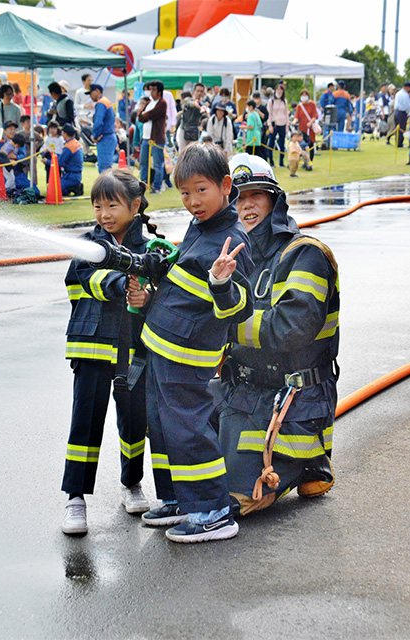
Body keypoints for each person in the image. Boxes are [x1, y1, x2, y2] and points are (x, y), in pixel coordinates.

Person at [211, 152, 339, 517]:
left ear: (274, 199)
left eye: (256, 195)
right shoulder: (231, 255)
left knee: (228, 501)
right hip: (241, 392)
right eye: (236, 197)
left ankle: (307, 464)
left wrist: (220, 318)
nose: (246, 205)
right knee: (176, 422)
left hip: (292, 399)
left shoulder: (306, 255)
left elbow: (290, 329)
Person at [138, 142, 254, 543]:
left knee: (187, 427)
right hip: (162, 346)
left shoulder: (233, 239)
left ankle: (212, 510)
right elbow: (187, 268)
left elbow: (239, 310)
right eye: (184, 193)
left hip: (187, 356)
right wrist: (164, 259)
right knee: (162, 425)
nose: (192, 202)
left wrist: (222, 282)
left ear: (225, 186)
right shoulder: (201, 225)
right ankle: (179, 498)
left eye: (201, 190)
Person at [61, 168, 162, 535]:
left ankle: (132, 483)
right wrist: (122, 283)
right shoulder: (88, 245)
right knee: (85, 423)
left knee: (134, 422)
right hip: (92, 347)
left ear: (135, 205)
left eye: (112, 205)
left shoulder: (151, 248)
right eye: (97, 205)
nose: (104, 214)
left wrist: (147, 296)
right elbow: (85, 277)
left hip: (134, 350)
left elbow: (165, 287)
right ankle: (75, 497)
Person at [137, 80, 167, 193]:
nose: (151, 92)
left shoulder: (162, 103)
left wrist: (143, 114)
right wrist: (143, 114)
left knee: (157, 164)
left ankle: (157, 186)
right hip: (145, 138)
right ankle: (143, 185)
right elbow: (140, 117)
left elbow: (150, 115)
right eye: (151, 89)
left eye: (154, 89)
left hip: (156, 139)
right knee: (144, 163)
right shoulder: (149, 102)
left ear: (159, 91)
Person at [86, 83, 117, 173]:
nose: (90, 97)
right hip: (109, 136)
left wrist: (95, 136)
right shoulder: (106, 101)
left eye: (91, 93)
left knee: (104, 169)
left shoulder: (101, 103)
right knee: (107, 167)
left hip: (105, 137)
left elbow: (98, 122)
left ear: (97, 91)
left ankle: (105, 187)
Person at [49, 123, 84, 196]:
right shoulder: (75, 143)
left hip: (71, 176)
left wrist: (47, 161)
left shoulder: (69, 146)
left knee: (53, 190)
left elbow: (59, 163)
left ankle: (73, 187)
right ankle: (73, 187)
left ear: (65, 134)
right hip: (76, 174)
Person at [176, 83, 208, 153]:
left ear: (203, 93)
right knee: (183, 153)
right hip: (184, 130)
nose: (199, 93)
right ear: (194, 91)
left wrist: (204, 112)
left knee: (193, 154)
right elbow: (188, 103)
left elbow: (205, 117)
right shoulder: (188, 99)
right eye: (198, 91)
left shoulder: (202, 105)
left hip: (194, 133)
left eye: (201, 91)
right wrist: (194, 104)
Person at [293, 89, 319, 162]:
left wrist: (311, 122)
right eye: (302, 95)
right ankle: (303, 160)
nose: (304, 97)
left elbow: (315, 115)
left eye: (305, 95)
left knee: (310, 144)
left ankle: (310, 161)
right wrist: (294, 122)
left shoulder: (312, 104)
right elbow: (296, 116)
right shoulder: (299, 106)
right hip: (302, 128)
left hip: (310, 128)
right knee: (302, 144)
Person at [267, 82, 289, 168]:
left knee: (282, 143)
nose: (279, 92)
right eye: (278, 90)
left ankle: (281, 162)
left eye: (281, 90)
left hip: (282, 124)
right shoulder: (271, 101)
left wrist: (287, 124)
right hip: (274, 124)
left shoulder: (284, 101)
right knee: (271, 143)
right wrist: (269, 125)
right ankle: (271, 162)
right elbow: (269, 113)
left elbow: (286, 113)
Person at [18, 114, 44, 185]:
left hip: (32, 156)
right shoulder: (20, 134)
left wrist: (36, 146)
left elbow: (41, 140)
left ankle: (34, 188)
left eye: (30, 122)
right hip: (23, 157)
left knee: (33, 174)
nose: (29, 124)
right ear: (22, 124)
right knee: (24, 173)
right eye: (27, 122)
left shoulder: (34, 133)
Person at [394, 81, 410, 148]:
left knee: (397, 127)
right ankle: (399, 143)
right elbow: (407, 105)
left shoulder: (398, 93)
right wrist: (408, 113)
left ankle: (397, 141)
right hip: (402, 112)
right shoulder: (405, 94)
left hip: (396, 111)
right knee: (401, 128)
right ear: (407, 88)